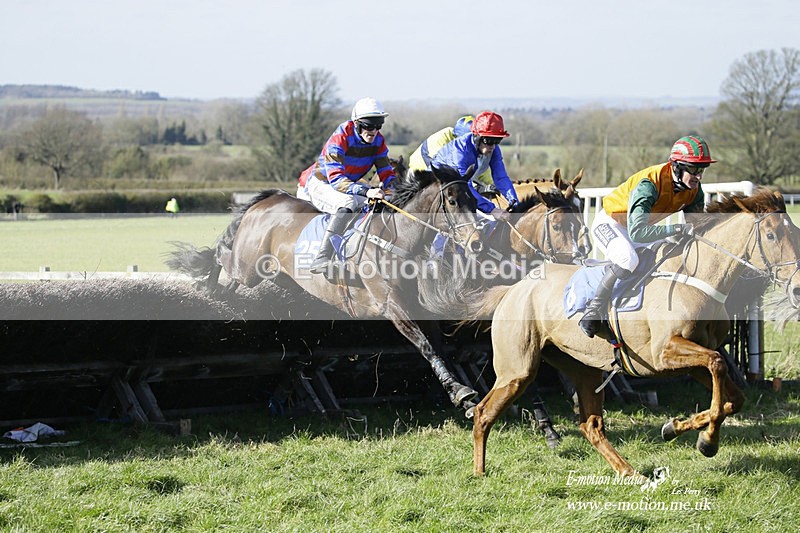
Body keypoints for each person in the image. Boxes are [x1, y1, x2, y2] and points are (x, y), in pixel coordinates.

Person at [579, 135, 716, 338]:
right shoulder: (649, 184)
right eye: (694, 170)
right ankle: (593, 310)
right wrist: (678, 229)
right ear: (677, 166)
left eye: (702, 170)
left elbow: (697, 228)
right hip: (610, 223)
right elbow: (638, 233)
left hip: (637, 227)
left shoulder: (694, 191)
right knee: (628, 259)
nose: (699, 176)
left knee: (667, 253)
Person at [300, 97, 397, 274]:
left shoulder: (378, 141)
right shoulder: (340, 138)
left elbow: (386, 172)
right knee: (349, 204)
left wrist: (393, 191)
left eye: (378, 125)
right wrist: (367, 191)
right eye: (369, 126)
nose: (374, 131)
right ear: (357, 123)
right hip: (322, 183)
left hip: (348, 185)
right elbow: (337, 180)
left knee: (376, 204)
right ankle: (322, 257)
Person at [430, 111, 518, 221]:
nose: (493, 146)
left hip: (457, 188)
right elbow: (466, 187)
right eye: (489, 141)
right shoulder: (461, 151)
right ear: (476, 137)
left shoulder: (493, 148)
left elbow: (501, 177)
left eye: (497, 141)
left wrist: (515, 202)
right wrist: (492, 209)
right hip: (436, 187)